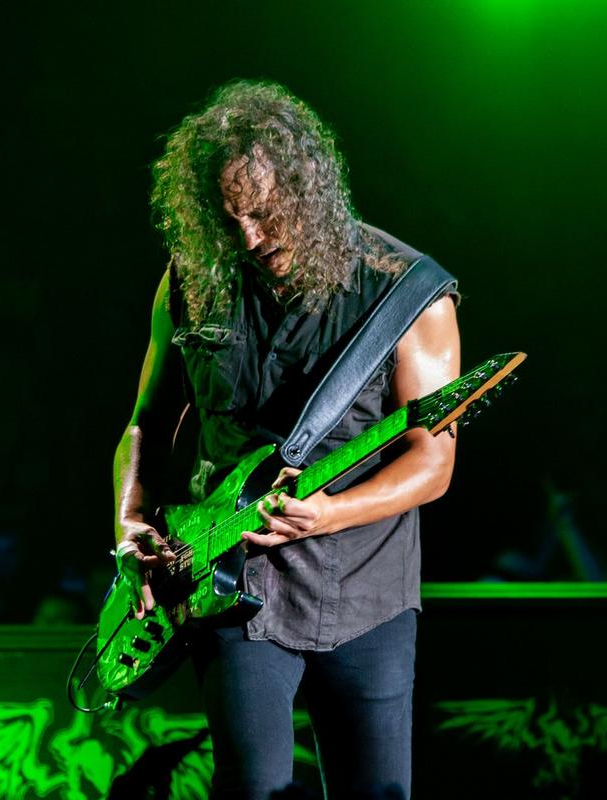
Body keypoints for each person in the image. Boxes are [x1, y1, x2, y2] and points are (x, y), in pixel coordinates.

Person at [113, 80, 461, 799]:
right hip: (230, 582)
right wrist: (131, 521)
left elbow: (433, 461)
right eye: (227, 217)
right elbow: (147, 419)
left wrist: (330, 513)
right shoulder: (192, 279)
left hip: (366, 590)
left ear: (308, 191)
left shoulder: (407, 292)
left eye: (264, 213)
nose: (247, 237)